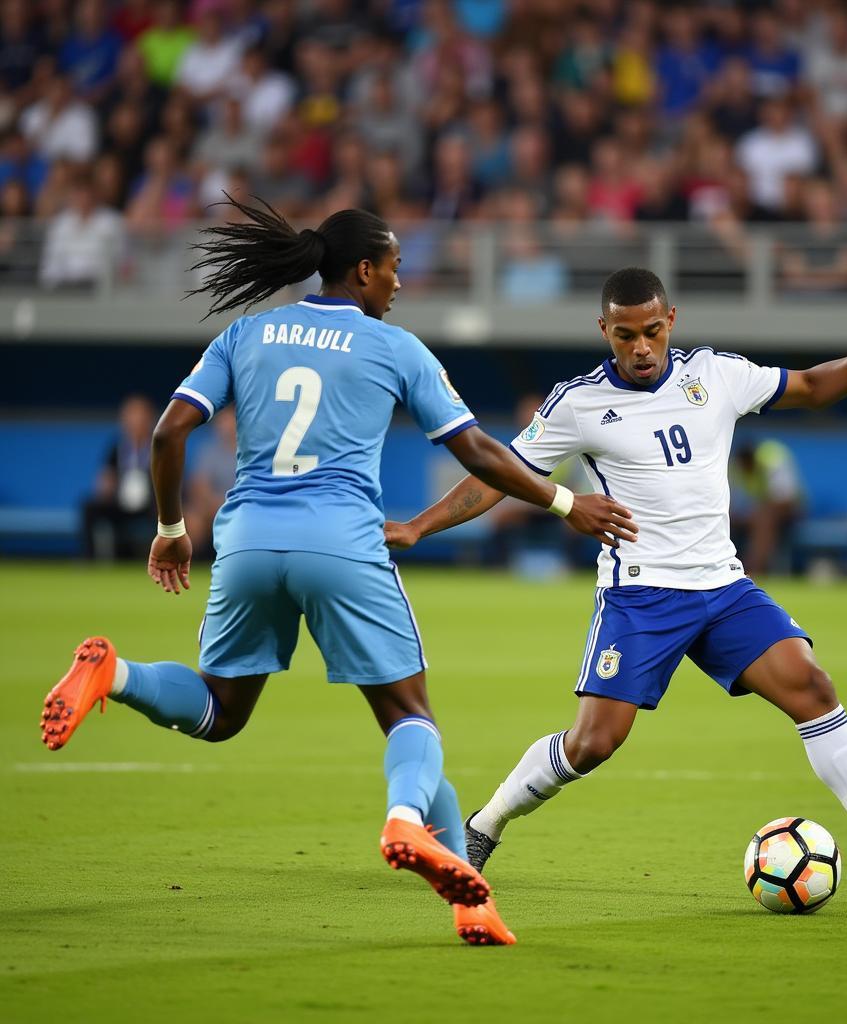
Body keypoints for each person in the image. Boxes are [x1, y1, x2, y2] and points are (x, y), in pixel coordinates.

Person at [39, 198, 636, 948]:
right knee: (410, 718)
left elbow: (169, 432)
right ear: (363, 270)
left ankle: (115, 674)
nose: (398, 284)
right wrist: (561, 500)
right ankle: (403, 821)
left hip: (248, 540)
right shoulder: (393, 347)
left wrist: (168, 530)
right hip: (343, 543)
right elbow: (479, 451)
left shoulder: (246, 332)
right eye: (392, 269)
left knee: (221, 712)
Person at [386, 268, 847, 905]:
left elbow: (808, 386)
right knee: (593, 742)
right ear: (604, 331)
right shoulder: (577, 403)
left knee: (812, 685)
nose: (641, 347)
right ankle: (482, 826)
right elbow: (496, 474)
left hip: (724, 587)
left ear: (673, 322)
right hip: (641, 596)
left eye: (653, 332)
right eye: (626, 335)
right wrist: (420, 526)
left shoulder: (715, 375)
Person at [80, 394, 157, 560]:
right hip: (120, 502)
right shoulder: (117, 447)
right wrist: (106, 484)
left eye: (140, 415)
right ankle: (89, 558)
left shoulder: (159, 447)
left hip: (150, 505)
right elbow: (106, 475)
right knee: (89, 507)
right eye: (131, 415)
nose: (136, 421)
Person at [729, 438, 803, 577]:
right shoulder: (736, 467)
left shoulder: (772, 459)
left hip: (790, 509)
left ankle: (755, 569)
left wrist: (754, 513)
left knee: (764, 518)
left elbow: (785, 498)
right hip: (757, 511)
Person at [184, 405, 237, 560]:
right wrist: (214, 503)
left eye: (228, 420)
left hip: (242, 506)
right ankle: (191, 567)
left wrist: (228, 504)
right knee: (193, 519)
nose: (224, 426)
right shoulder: (209, 450)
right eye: (221, 421)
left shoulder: (252, 451)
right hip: (212, 507)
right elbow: (199, 485)